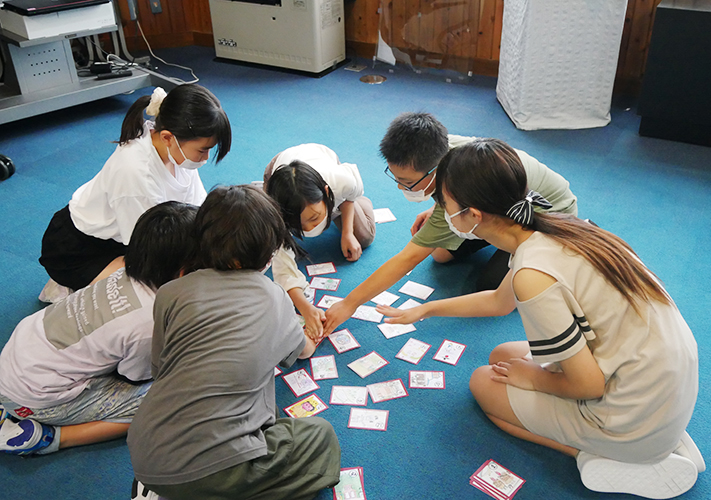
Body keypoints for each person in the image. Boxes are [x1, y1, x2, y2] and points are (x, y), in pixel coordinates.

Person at [378, 139, 704, 499]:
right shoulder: (555, 225)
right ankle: (660, 441)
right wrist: (426, 309)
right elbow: (500, 303)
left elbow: (589, 386)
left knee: (483, 382)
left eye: (445, 204)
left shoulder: (532, 274)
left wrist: (532, 378)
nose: (441, 211)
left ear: (474, 214)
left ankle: (605, 454)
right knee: (502, 355)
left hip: (628, 415)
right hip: (662, 385)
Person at [127, 185, 341, 500]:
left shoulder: (171, 291)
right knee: (319, 437)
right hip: (216, 467)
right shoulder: (273, 297)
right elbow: (303, 350)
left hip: (145, 454)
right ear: (269, 250)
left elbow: (159, 367)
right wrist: (311, 330)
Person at [322, 112, 577, 336]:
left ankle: (506, 243)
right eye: (396, 178)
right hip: (496, 204)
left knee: (489, 285)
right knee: (441, 255)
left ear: (434, 173)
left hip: (546, 213)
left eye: (407, 181)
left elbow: (407, 258)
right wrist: (437, 208)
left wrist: (350, 303)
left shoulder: (457, 184)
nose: (401, 187)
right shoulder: (440, 149)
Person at [0, 201, 198, 456]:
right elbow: (133, 377)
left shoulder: (125, 270)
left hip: (20, 356)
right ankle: (50, 439)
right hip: (34, 396)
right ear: (183, 272)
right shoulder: (151, 321)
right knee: (159, 401)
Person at [38, 84, 231, 301]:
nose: (205, 158)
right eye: (203, 150)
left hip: (122, 233)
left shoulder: (172, 146)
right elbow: (149, 250)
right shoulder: (136, 174)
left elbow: (197, 207)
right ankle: (74, 285)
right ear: (168, 137)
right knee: (158, 290)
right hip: (77, 250)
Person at [264, 143, 376, 338]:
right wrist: (306, 308)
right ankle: (260, 193)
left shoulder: (342, 180)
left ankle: (350, 208)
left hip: (326, 167)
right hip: (279, 170)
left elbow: (350, 195)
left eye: (314, 218)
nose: (308, 229)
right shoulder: (276, 214)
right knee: (267, 241)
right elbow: (283, 271)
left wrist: (347, 233)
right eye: (297, 224)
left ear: (326, 193)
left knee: (364, 237)